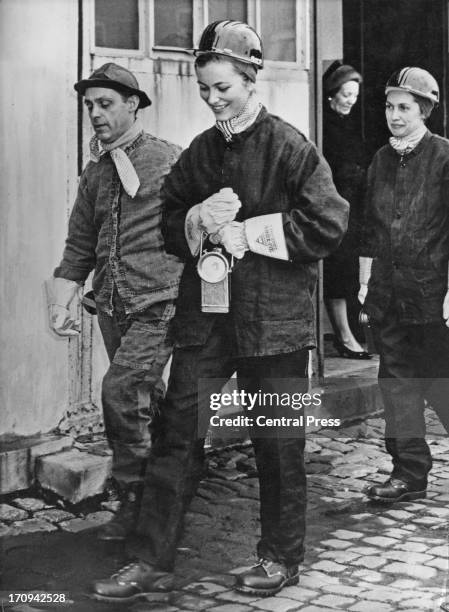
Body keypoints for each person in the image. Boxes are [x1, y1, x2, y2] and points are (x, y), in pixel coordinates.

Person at [92, 21, 348, 603]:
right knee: (176, 432)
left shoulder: (290, 147)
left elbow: (329, 223)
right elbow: (167, 225)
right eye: (204, 88)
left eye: (222, 88)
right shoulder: (201, 152)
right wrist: (196, 219)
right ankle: (148, 562)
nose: (212, 99)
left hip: (274, 322)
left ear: (251, 81)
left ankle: (280, 558)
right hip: (207, 318)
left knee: (277, 446)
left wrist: (250, 233)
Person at [47, 63, 183, 539]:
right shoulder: (95, 173)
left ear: (133, 104)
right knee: (146, 395)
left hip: (159, 303)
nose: (96, 114)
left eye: (105, 104)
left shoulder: (169, 160)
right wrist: (61, 300)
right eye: (89, 106)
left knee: (121, 392)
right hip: (111, 304)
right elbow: (80, 242)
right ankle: (177, 473)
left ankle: (138, 503)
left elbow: (204, 224)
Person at [359, 66, 449, 504]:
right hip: (389, 295)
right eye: (390, 107)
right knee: (396, 385)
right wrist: (366, 283)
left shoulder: (444, 158)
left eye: (405, 107)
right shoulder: (380, 160)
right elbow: (371, 228)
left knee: (441, 383)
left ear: (425, 110)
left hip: (433, 296)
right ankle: (408, 473)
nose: (394, 116)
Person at [322, 61, 371, 359]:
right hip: (333, 208)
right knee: (338, 273)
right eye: (347, 94)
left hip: (352, 210)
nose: (352, 100)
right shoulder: (324, 125)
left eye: (355, 94)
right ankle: (344, 336)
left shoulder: (350, 125)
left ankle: (351, 333)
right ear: (332, 94)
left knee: (350, 273)